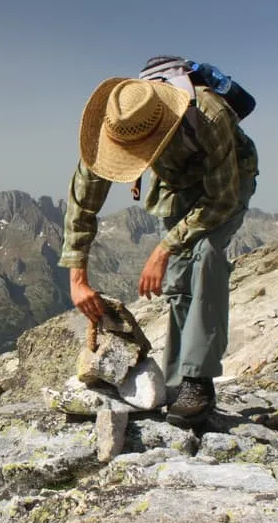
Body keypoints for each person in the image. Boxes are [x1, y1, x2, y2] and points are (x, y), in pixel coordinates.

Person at [58, 59, 258, 428]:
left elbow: (222, 200)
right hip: (177, 185)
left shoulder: (210, 117)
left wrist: (163, 248)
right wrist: (77, 278)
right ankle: (179, 381)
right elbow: (83, 201)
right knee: (180, 281)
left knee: (205, 256)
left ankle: (198, 382)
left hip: (226, 183)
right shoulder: (116, 121)